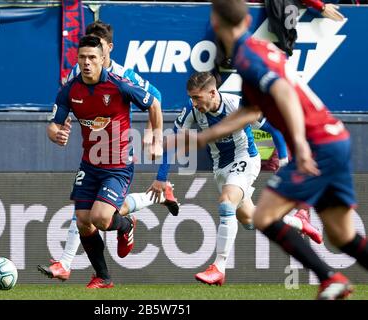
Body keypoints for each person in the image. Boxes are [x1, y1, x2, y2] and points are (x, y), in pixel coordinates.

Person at [173, 0, 367, 299]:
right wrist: (203, 137)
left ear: (215, 22)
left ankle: (329, 278)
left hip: (317, 145)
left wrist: (299, 144)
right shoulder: (257, 50)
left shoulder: (247, 54)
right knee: (342, 235)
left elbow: (283, 91)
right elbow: (251, 112)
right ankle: (331, 278)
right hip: (335, 138)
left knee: (262, 217)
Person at [38, 21, 179, 282]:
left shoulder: (121, 82)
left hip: (117, 162)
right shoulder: (71, 87)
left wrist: (155, 135)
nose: (87, 62)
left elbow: (154, 100)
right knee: (82, 220)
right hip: (89, 161)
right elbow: (54, 122)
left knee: (101, 218)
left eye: (92, 57)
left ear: (104, 55)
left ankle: (125, 225)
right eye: (82, 57)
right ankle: (102, 277)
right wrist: (55, 132)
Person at [149, 71, 321, 286]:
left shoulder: (236, 105)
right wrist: (161, 177)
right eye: (191, 97)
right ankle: (300, 222)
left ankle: (219, 267)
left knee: (226, 202)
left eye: (197, 97)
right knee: (250, 219)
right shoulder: (192, 111)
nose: (193, 102)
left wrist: (284, 162)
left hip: (246, 159)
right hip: (220, 168)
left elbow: (274, 129)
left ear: (213, 93)